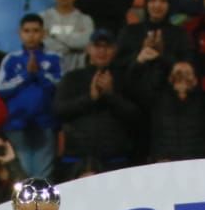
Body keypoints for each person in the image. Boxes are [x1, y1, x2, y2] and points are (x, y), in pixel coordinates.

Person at [53, 29, 141, 177]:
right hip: (77, 159)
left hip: (115, 160)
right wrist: (90, 98)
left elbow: (136, 117)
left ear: (115, 50)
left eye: (107, 47)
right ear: (88, 49)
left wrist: (111, 95)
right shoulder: (72, 77)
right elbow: (59, 111)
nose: (102, 51)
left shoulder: (125, 78)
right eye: (97, 46)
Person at [0, 14, 63, 180]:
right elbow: (1, 88)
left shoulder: (54, 58)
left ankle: (44, 207)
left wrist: (38, 73)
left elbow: (60, 86)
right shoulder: (11, 59)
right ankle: (23, 207)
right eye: (27, 31)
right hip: (17, 126)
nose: (31, 35)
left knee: (43, 177)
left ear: (43, 33)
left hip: (45, 125)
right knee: (21, 176)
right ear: (20, 33)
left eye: (35, 31)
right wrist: (26, 74)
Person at [43, 0, 95, 75]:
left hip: (77, 72)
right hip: (48, 71)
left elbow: (85, 42)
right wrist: (73, 44)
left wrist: (53, 35)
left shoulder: (85, 20)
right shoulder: (43, 18)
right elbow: (46, 46)